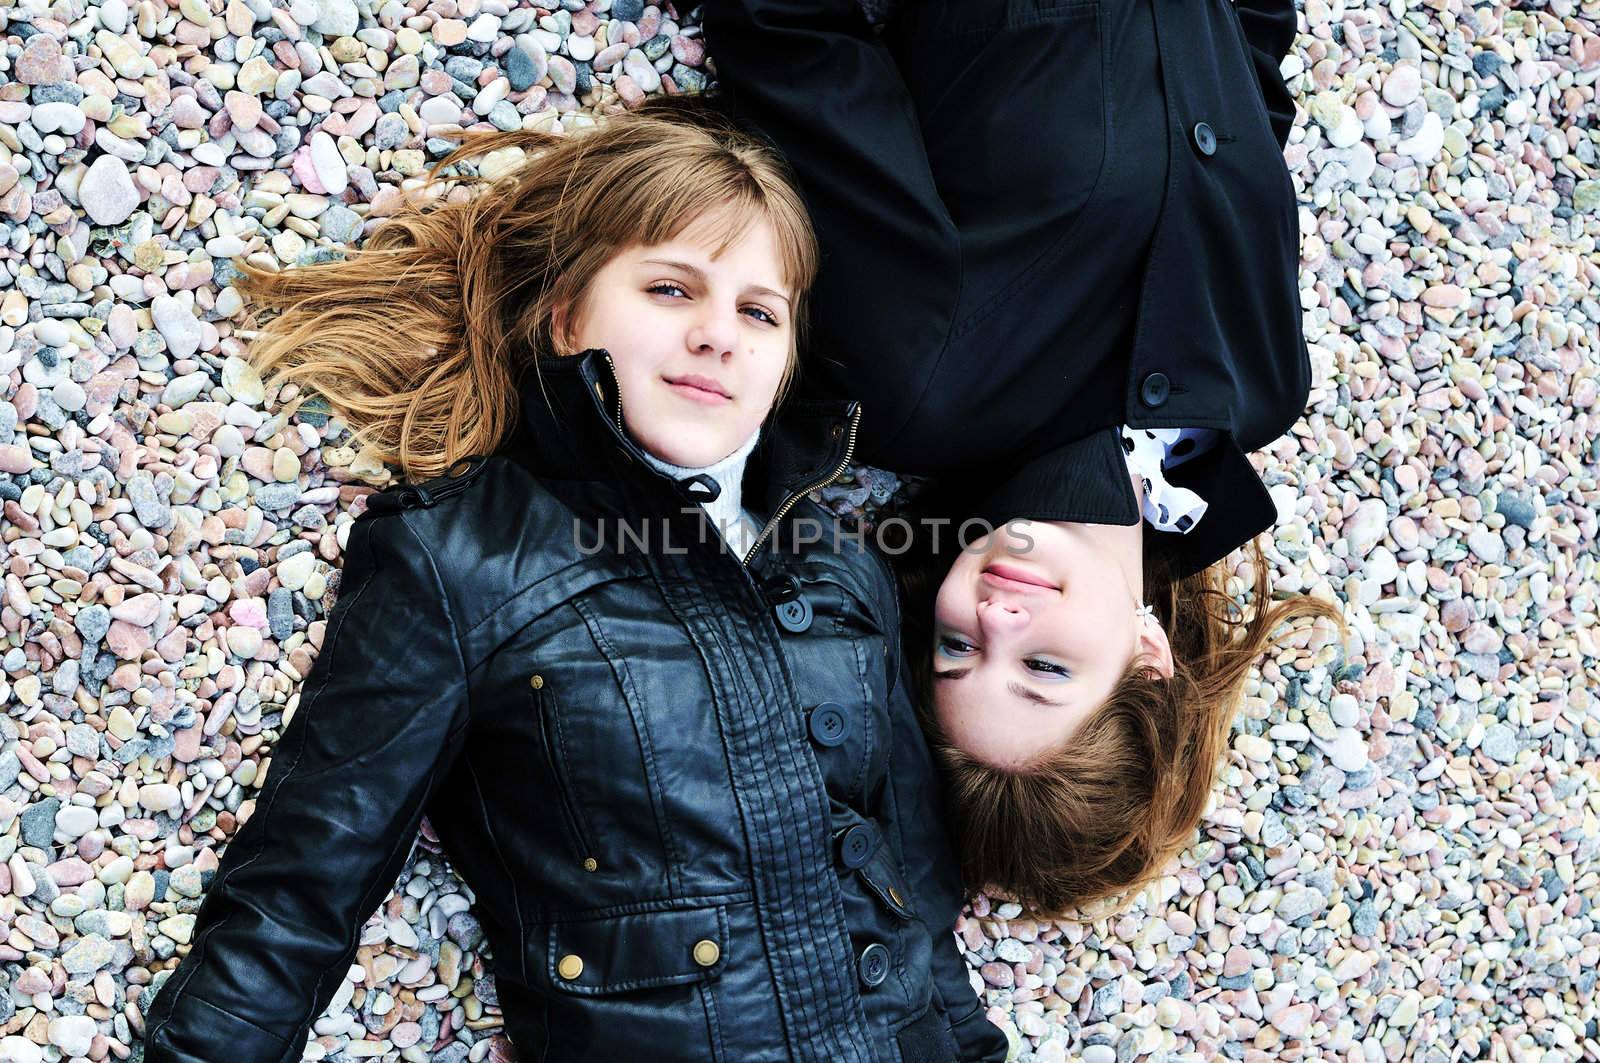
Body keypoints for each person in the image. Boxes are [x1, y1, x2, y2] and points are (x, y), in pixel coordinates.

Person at [139, 101, 1006, 1062]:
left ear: (784, 363)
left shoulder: (842, 565)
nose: (720, 335)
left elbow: (918, 890)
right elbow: (301, 885)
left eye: (759, 312)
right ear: (565, 319)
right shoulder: (461, 558)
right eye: (672, 290)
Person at [700, 0, 1348, 915]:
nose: (998, 617)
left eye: (957, 648)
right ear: (1148, 658)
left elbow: (791, 36)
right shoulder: (1262, 387)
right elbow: (1247, 94)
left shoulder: (919, 382)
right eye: (1044, 670)